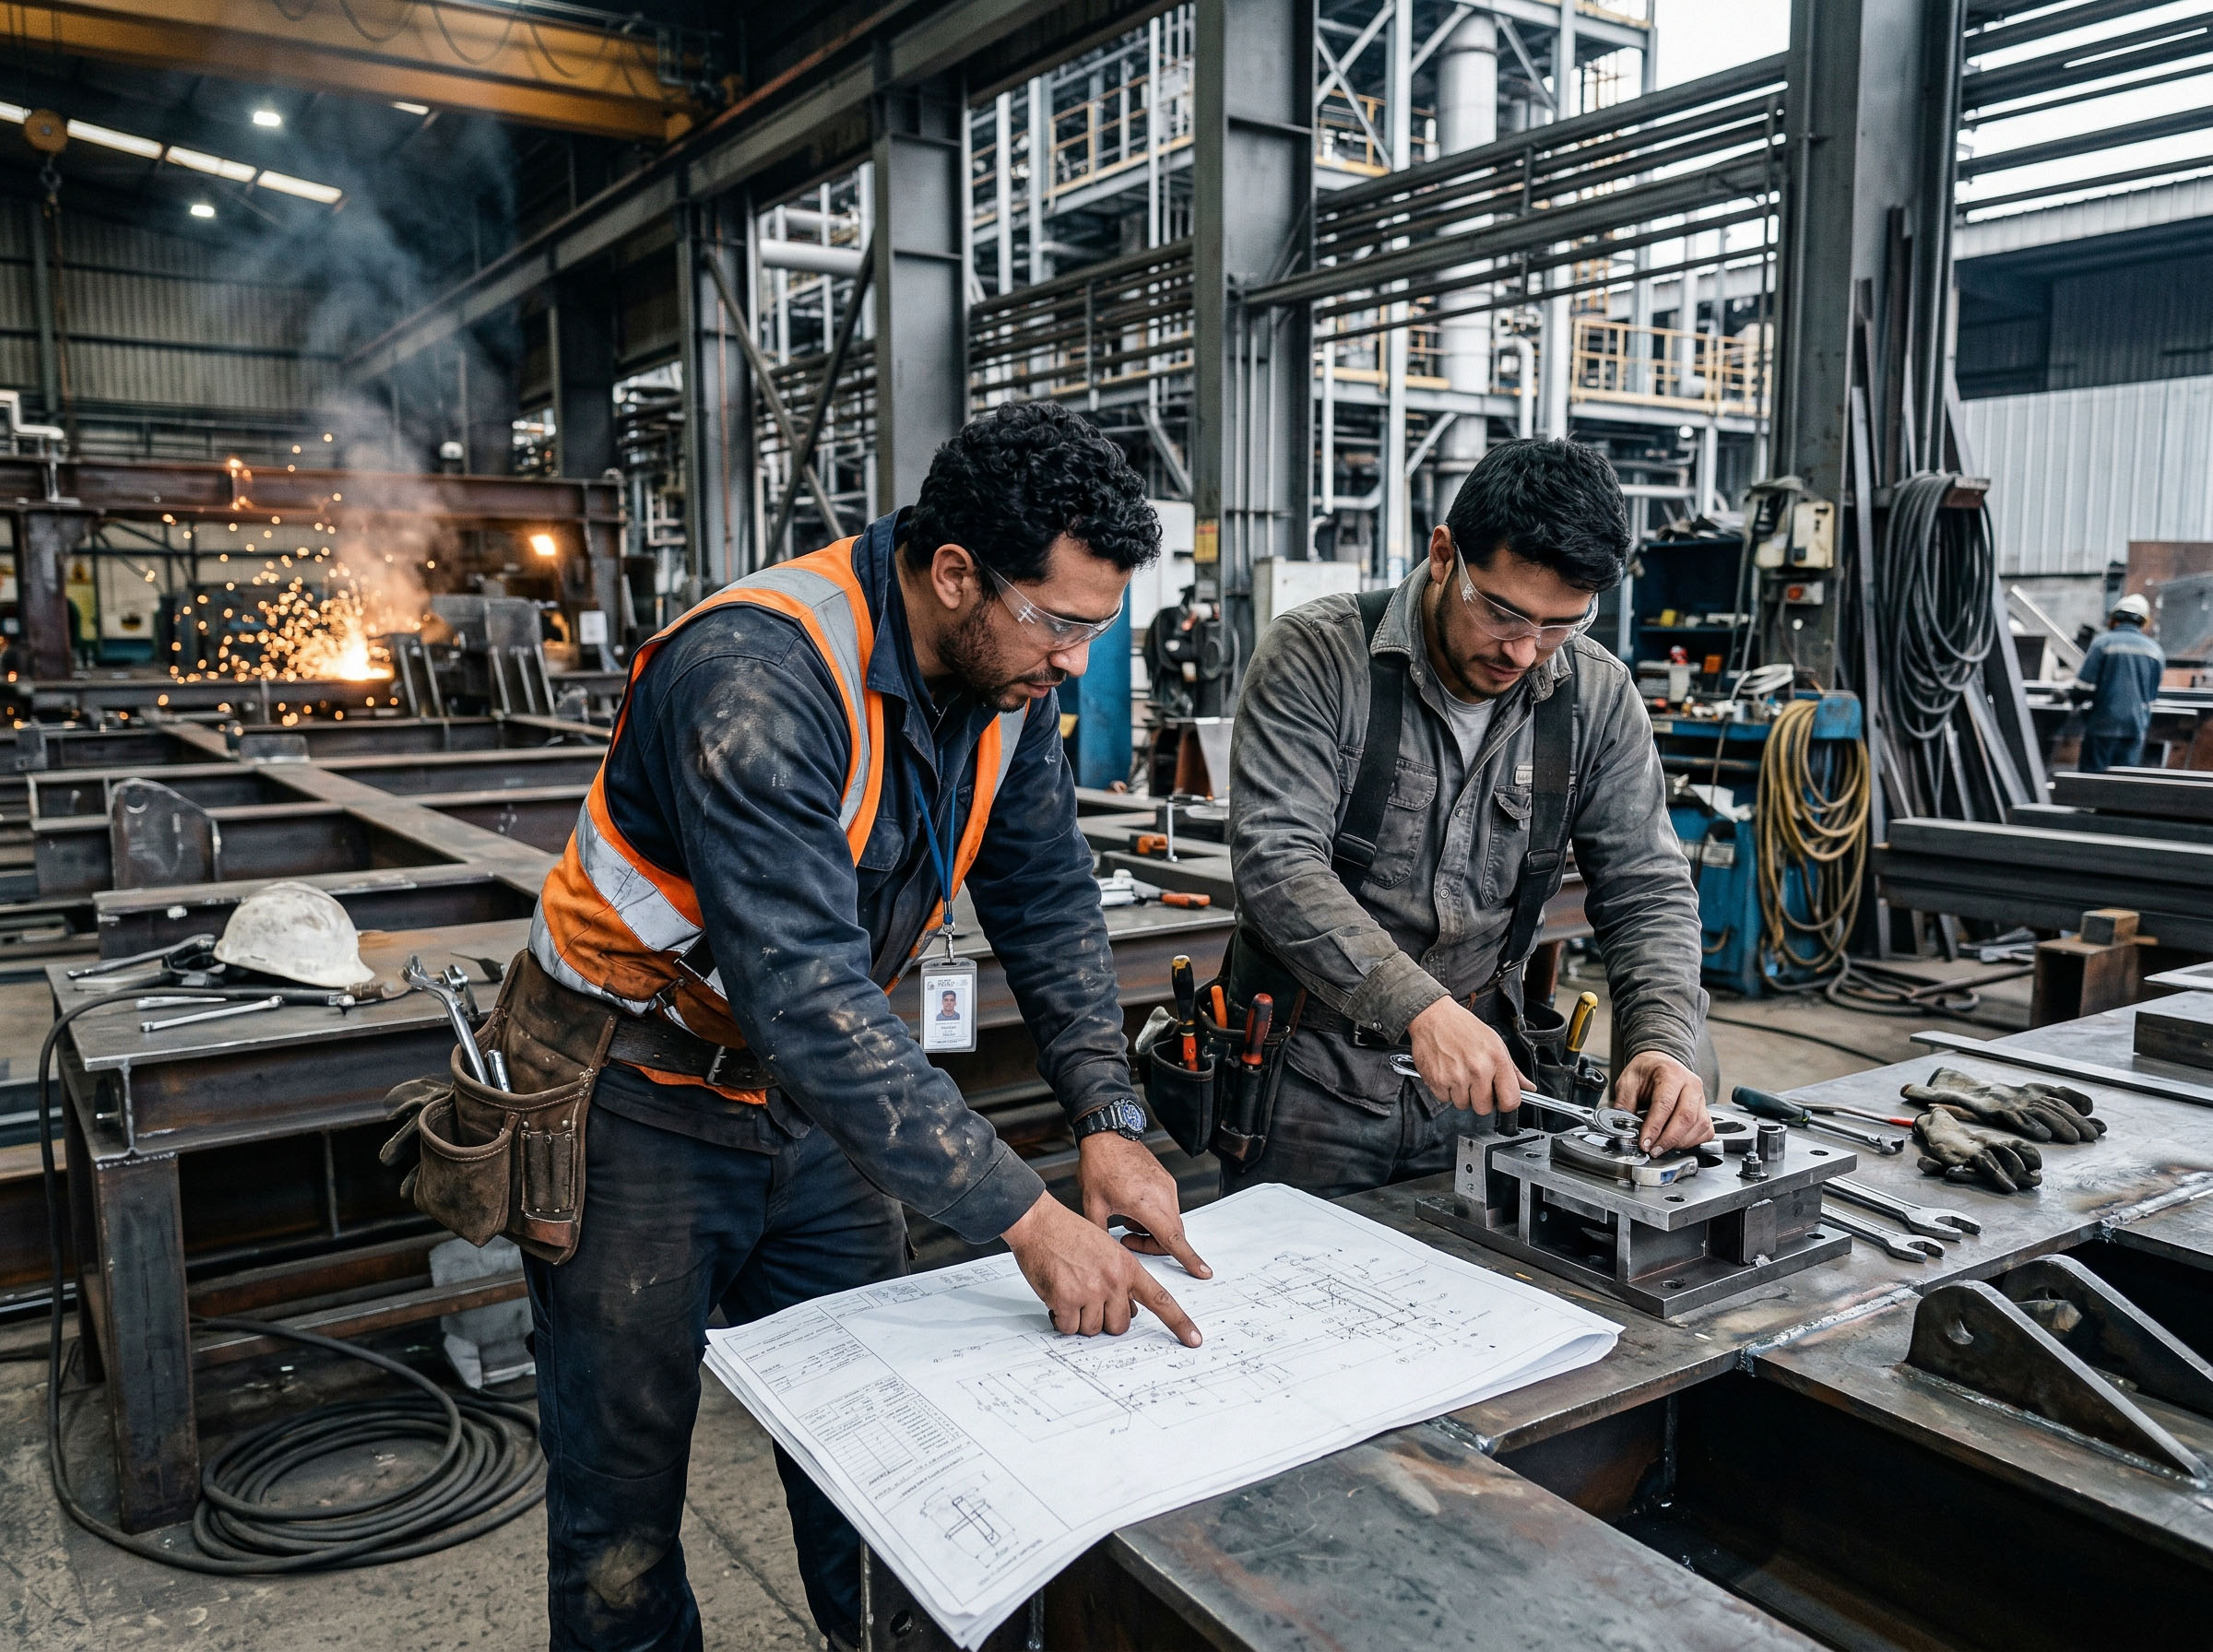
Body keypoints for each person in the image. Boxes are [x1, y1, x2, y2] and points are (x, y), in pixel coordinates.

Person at [517, 401, 1211, 1651]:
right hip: (635, 1100)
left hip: (808, 1108)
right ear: (954, 574)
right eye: (1058, 623)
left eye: (1096, 630)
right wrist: (1027, 1218)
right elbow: (809, 999)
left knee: (886, 1454)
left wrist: (1107, 1116)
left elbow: (1048, 894)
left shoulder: (1008, 680)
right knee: (622, 1505)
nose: (1074, 662)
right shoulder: (755, 677)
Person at [1223, 436, 1712, 1198]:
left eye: (1561, 625)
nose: (1525, 652)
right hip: (1309, 1084)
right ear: (1444, 555)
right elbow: (1277, 864)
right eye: (1504, 614)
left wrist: (1662, 1041)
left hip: (1488, 1089)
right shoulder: (1317, 656)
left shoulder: (1596, 696)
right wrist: (1419, 1007)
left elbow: (1646, 888)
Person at [2075, 593, 2164, 773]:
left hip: (2101, 725)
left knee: (2091, 782)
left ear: (2114, 618)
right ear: (2144, 622)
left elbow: (2083, 688)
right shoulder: (2155, 651)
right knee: (2123, 782)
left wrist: (2071, 699)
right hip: (2134, 727)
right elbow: (2152, 695)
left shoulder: (2102, 644)